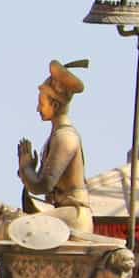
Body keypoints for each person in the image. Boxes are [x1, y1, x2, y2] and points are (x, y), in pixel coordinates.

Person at [15, 59, 92, 235]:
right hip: (60, 210)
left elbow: (43, 185)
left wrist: (26, 168)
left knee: (16, 228)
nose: (37, 109)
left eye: (42, 104)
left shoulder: (65, 138)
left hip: (74, 214)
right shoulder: (57, 135)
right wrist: (28, 171)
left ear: (55, 105)